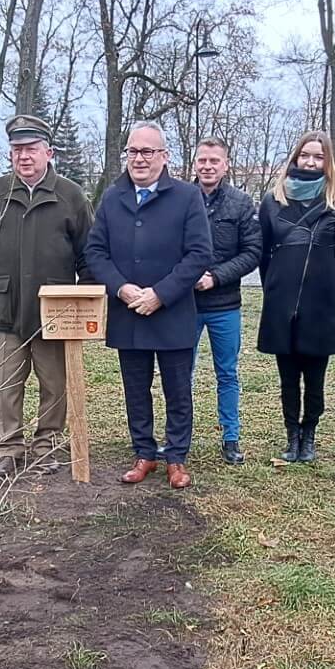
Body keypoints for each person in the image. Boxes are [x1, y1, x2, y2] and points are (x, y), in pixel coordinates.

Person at [0, 114, 93, 478]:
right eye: (17, 149)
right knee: (5, 383)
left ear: (48, 152)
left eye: (31, 149)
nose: (24, 156)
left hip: (55, 311)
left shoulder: (70, 195)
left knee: (54, 385)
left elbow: (90, 252)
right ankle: (9, 447)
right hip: (7, 308)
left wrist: (84, 298)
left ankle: (46, 446)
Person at [85, 122, 212, 489]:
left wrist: (160, 293)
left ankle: (176, 458)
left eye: (147, 152)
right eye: (133, 152)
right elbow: (96, 251)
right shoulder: (112, 198)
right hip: (129, 314)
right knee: (135, 388)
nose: (139, 159)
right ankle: (144, 453)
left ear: (164, 156)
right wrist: (122, 289)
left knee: (177, 389)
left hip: (171, 311)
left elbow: (199, 253)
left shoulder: (187, 196)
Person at [256, 129, 335, 464]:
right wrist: (277, 285)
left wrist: (322, 279)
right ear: (295, 157)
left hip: (319, 306)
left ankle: (310, 433)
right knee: (287, 377)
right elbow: (263, 253)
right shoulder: (273, 201)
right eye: (305, 155)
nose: (310, 162)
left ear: (328, 162)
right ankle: (291, 435)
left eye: (318, 156)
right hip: (281, 303)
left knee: (315, 377)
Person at [189, 138, 261, 465]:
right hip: (184, 305)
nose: (208, 166)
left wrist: (215, 277)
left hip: (224, 304)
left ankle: (231, 437)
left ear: (225, 164)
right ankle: (181, 435)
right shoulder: (179, 199)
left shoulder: (241, 203)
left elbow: (252, 252)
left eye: (214, 160)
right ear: (195, 164)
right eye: (202, 160)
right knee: (180, 373)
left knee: (227, 373)